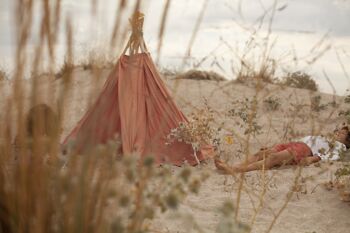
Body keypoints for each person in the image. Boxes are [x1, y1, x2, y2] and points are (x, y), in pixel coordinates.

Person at [215, 125, 350, 174]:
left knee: (273, 159)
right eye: (339, 130)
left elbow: (332, 156)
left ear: (347, 140)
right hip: (296, 143)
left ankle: (237, 170)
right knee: (262, 153)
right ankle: (234, 165)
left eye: (342, 133)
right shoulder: (329, 138)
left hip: (305, 149)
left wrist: (314, 158)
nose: (338, 132)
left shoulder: (340, 147)